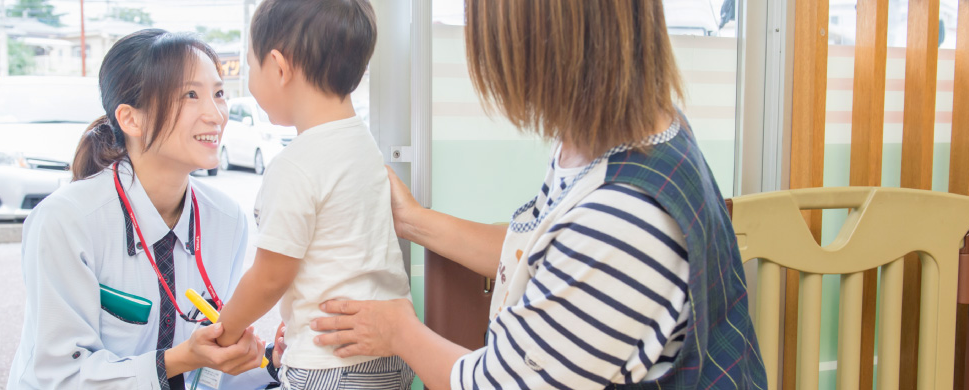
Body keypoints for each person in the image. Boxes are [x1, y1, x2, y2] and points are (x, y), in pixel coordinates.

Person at [310, 1, 768, 389]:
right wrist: (410, 219)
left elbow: (497, 382)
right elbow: (542, 254)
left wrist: (398, 332)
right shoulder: (616, 137)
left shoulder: (626, 218)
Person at [7, 29, 279, 389]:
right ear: (131, 119)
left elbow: (210, 378)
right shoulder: (66, 221)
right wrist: (183, 358)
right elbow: (61, 376)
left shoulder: (226, 220)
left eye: (218, 93)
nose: (216, 115)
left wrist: (273, 361)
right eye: (190, 95)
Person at [211, 0, 415, 389]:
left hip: (328, 364)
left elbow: (270, 277)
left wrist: (226, 329)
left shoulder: (295, 165)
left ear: (279, 67)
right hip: (391, 354)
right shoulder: (362, 143)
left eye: (251, 66)